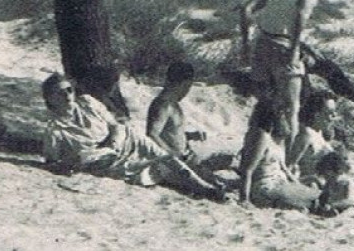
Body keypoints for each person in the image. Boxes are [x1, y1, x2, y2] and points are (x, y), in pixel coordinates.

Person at [41, 73, 221, 200]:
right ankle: (197, 187)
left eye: (69, 90)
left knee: (164, 157)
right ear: (50, 99)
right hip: (107, 158)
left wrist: (114, 141)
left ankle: (203, 187)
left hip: (124, 139)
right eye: (60, 92)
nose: (67, 95)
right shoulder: (55, 130)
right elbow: (52, 162)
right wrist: (70, 164)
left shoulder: (88, 102)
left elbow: (114, 124)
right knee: (154, 168)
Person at [241, 0, 324, 156]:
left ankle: (252, 151)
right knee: (291, 108)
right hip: (283, 46)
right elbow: (299, 19)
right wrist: (295, 49)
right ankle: (285, 160)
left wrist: (245, 44)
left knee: (265, 103)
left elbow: (246, 10)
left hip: (261, 44)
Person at [146, 60, 201, 161]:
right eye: (187, 87)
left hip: (179, 159)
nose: (186, 92)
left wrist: (189, 136)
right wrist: (174, 155)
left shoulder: (173, 104)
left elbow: (170, 134)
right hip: (170, 164)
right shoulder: (163, 104)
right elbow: (152, 135)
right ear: (183, 84)